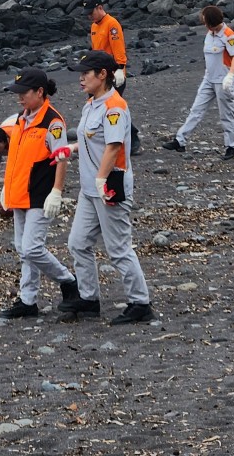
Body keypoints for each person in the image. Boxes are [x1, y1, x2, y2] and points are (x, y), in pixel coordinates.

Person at [0, 68, 79, 319]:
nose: (19, 98)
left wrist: (57, 191)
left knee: (32, 248)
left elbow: (61, 156)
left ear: (40, 92)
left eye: (24, 93)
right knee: (23, 249)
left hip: (39, 193)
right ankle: (28, 300)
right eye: (18, 93)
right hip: (19, 193)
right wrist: (2, 194)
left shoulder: (52, 122)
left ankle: (67, 281)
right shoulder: (22, 118)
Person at [61, 51, 154, 325]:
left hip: (109, 186)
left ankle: (140, 303)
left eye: (85, 73)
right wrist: (74, 148)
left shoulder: (114, 107)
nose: (80, 78)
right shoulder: (91, 104)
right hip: (90, 189)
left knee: (118, 248)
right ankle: (89, 299)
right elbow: (96, 140)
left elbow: (114, 147)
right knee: (78, 243)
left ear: (102, 74)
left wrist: (102, 180)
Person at [162, 5, 234, 159]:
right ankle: (180, 140)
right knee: (196, 110)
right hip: (208, 79)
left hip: (222, 80)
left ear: (211, 21)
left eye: (205, 21)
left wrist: (230, 75)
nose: (204, 24)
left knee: (226, 113)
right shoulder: (210, 34)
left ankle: (231, 146)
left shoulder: (229, 35)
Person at [86, 0, 141, 155]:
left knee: (112, 106)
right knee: (97, 106)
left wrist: (120, 69)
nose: (90, 16)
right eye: (88, 14)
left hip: (112, 75)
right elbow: (96, 50)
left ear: (99, 8)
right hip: (99, 74)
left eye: (91, 12)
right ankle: (102, 139)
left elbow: (118, 48)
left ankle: (132, 138)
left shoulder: (112, 24)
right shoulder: (94, 27)